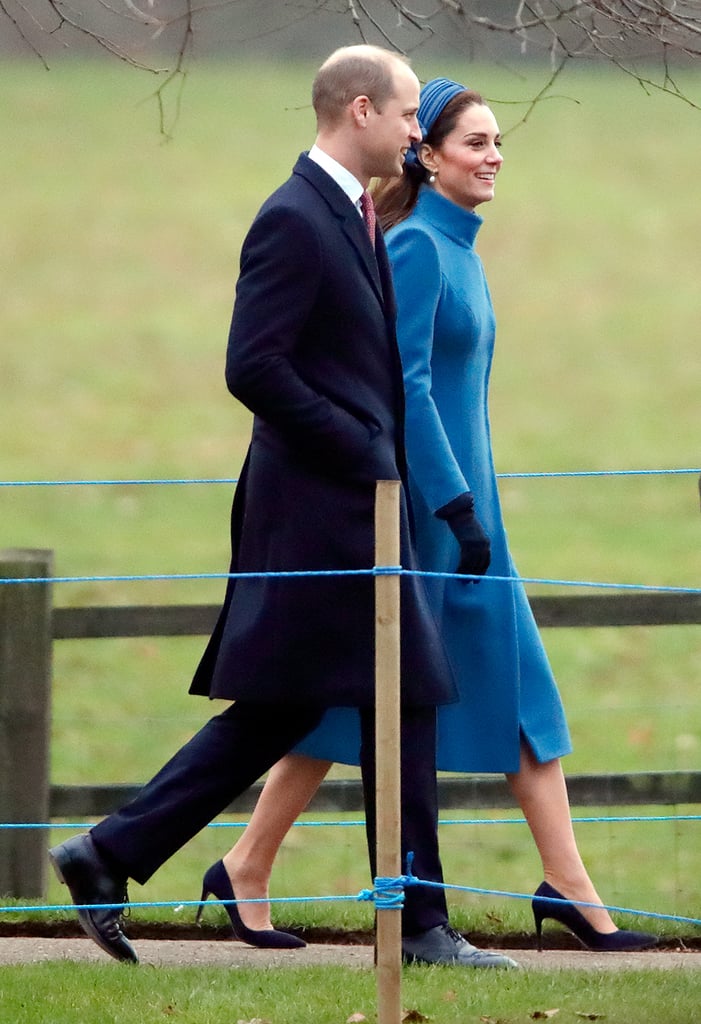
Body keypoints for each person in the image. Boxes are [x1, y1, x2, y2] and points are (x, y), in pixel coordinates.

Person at [48, 50, 517, 970]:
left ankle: (107, 853)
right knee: (399, 696)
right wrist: (366, 447)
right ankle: (420, 925)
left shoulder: (353, 215)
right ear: (358, 111)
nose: (415, 133)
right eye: (406, 116)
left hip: (347, 509)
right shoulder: (294, 217)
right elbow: (251, 367)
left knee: (284, 710)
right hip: (316, 514)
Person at [214, 78, 658, 954]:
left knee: (444, 698)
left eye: (499, 144)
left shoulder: (462, 249)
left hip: (470, 512)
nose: (493, 157)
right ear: (425, 153)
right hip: (432, 519)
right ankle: (250, 864)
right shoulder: (414, 247)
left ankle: (248, 863)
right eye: (475, 142)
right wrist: (452, 507)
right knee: (402, 699)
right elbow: (407, 392)